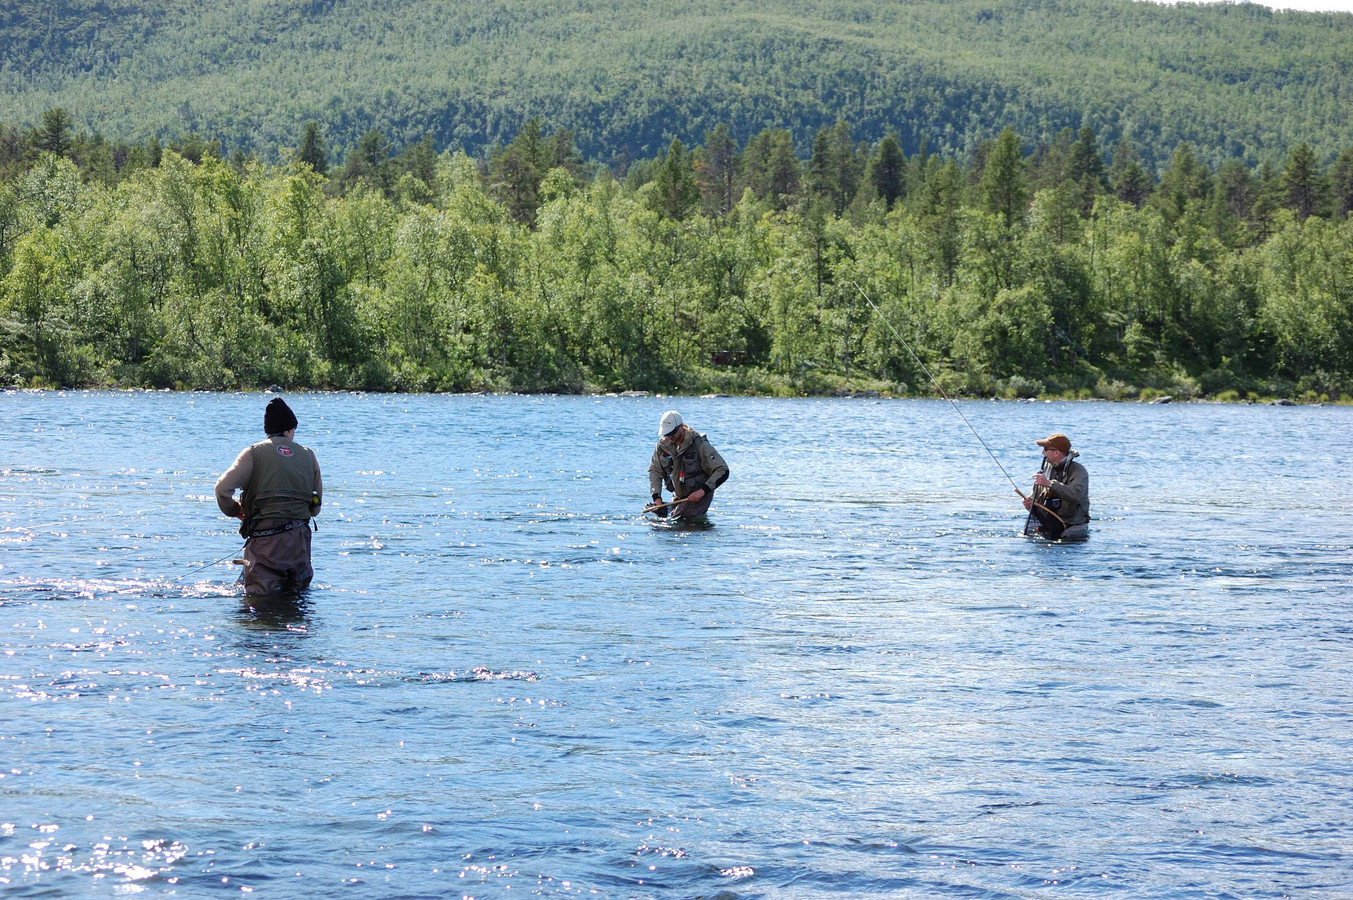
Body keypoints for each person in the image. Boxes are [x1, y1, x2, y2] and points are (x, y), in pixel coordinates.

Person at [215, 397, 323, 595]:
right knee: (297, 601)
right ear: (290, 429)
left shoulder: (253, 453)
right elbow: (315, 507)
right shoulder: (309, 455)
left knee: (259, 605)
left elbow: (222, 489)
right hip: (299, 545)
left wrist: (236, 511)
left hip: (265, 546)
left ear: (267, 430)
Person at [646, 410, 729, 520]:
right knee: (660, 515)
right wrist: (657, 498)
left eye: (672, 433)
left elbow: (723, 470)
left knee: (682, 522)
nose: (669, 437)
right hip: (680, 495)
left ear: (681, 427)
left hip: (700, 495)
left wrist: (702, 491)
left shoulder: (700, 445)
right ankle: (667, 509)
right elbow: (655, 470)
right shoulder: (663, 445)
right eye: (666, 434)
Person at [1022, 432, 1089, 540]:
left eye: (1045, 449)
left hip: (1072, 527)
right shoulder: (1046, 468)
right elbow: (1037, 496)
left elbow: (1076, 495)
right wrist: (1030, 503)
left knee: (1066, 538)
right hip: (1050, 524)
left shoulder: (1079, 471)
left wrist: (1049, 484)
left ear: (1056, 452)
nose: (1042, 452)